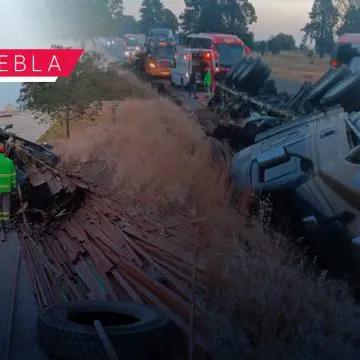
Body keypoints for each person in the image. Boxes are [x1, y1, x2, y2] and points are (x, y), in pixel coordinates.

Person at [0, 143, 16, 232]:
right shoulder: (9, 162)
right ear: (4, 151)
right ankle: (6, 224)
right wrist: (13, 187)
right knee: (5, 206)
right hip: (6, 189)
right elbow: (13, 176)